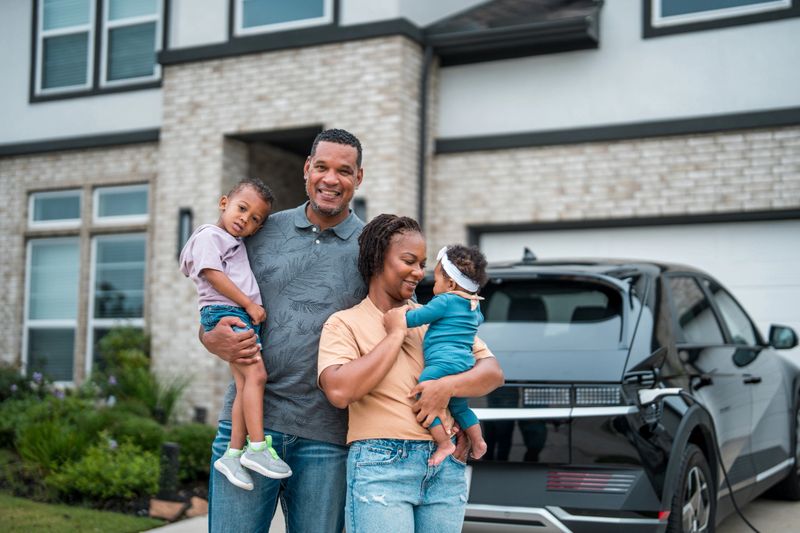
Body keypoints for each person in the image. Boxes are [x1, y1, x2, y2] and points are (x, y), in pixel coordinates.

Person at [200, 129, 371, 532]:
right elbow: (214, 304)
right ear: (307, 169)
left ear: (358, 178)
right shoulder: (260, 230)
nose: (331, 179)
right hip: (246, 430)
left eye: (344, 171)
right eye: (323, 167)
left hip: (327, 437)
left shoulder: (370, 247)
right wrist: (211, 338)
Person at [318, 214, 505, 533]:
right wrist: (394, 335)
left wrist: (445, 387)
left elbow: (492, 374)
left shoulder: (434, 317)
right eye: (409, 261)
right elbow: (339, 391)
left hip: (444, 467)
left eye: (422, 264)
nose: (419, 273)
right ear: (378, 259)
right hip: (381, 467)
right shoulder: (344, 323)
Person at [180, 178, 292, 492]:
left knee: (245, 384)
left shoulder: (230, 239)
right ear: (224, 202)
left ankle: (232, 453)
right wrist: (248, 304)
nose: (246, 219)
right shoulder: (210, 235)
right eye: (242, 209)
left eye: (255, 219)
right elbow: (212, 274)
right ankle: (256, 448)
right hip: (229, 313)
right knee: (257, 377)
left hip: (234, 313)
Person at [404, 244, 489, 466]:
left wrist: (400, 316)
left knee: (424, 392)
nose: (434, 281)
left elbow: (418, 318)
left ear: (450, 283)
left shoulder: (445, 300)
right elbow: (476, 323)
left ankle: (444, 443)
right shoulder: (474, 306)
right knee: (460, 407)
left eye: (438, 277)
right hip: (463, 364)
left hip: (442, 362)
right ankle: (479, 442)